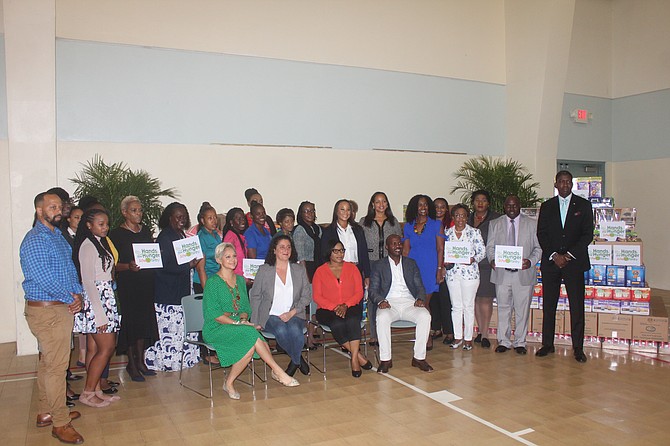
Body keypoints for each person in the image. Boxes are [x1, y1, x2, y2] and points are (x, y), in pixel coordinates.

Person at [20, 192, 84, 444]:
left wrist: (77, 293)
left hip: (60, 306)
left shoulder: (56, 236)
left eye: (60, 206)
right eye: (52, 206)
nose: (58, 210)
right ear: (39, 210)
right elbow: (43, 278)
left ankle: (46, 411)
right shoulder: (35, 239)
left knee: (49, 364)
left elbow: (69, 269)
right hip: (47, 310)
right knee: (58, 368)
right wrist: (70, 297)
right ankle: (60, 422)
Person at [203, 242, 299, 399]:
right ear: (219, 260)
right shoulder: (213, 283)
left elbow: (245, 309)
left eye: (234, 256)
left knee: (249, 343)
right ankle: (278, 371)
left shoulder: (240, 280)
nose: (233, 260)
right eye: (228, 257)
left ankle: (229, 383)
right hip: (216, 328)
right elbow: (214, 314)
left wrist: (242, 319)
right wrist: (237, 323)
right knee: (251, 334)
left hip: (238, 326)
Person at [536, 171, 594, 363]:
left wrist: (568, 255)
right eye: (561, 181)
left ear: (572, 184)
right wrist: (554, 255)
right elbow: (541, 234)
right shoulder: (547, 206)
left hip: (574, 263)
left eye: (568, 182)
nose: (565, 185)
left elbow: (587, 234)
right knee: (549, 305)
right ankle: (547, 344)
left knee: (577, 306)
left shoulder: (584, 205)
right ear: (556, 184)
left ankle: (578, 348)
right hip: (552, 263)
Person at [72, 208, 121, 409]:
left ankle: (95, 390)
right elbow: (89, 282)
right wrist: (100, 316)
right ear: (89, 225)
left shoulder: (100, 243)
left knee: (94, 348)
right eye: (100, 224)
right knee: (107, 347)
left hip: (105, 297)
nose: (105, 227)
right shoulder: (87, 246)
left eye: (106, 223)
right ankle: (87, 392)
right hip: (97, 302)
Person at [108, 196, 159, 382]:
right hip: (129, 283)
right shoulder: (116, 235)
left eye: (139, 210)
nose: (138, 214)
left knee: (145, 322)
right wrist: (127, 266)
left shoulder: (145, 230)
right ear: (124, 213)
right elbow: (112, 264)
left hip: (146, 282)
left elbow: (150, 253)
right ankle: (131, 363)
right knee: (132, 323)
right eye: (134, 210)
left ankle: (141, 361)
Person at [145, 203, 200, 371]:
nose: (181, 220)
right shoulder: (165, 237)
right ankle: (169, 362)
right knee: (171, 332)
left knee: (183, 329)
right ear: (169, 218)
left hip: (182, 291)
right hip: (169, 294)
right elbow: (163, 266)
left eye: (183, 216)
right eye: (178, 217)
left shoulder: (181, 235)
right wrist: (188, 265)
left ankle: (185, 360)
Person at [486, 195, 542, 354]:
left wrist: (530, 262)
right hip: (502, 273)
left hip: (523, 273)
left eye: (514, 205)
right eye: (508, 206)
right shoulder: (495, 224)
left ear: (520, 206)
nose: (511, 208)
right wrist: (492, 260)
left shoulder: (532, 224)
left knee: (522, 310)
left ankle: (520, 343)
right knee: (503, 308)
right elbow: (490, 247)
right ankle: (503, 341)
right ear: (504, 207)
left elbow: (539, 248)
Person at [369, 235, 433, 373]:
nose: (397, 246)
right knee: (382, 318)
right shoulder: (379, 265)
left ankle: (419, 358)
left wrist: (420, 298)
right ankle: (386, 360)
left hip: (410, 302)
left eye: (399, 243)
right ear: (387, 247)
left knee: (425, 316)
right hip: (388, 303)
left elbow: (420, 286)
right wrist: (381, 301)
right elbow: (373, 290)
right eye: (393, 244)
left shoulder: (411, 263)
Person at [249, 235, 312, 376]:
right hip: (270, 315)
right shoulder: (264, 270)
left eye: (288, 247)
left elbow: (307, 296)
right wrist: (255, 321)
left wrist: (292, 313)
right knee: (281, 330)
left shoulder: (299, 269)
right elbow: (255, 296)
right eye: (282, 247)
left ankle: (294, 362)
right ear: (274, 250)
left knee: (295, 330)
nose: (286, 250)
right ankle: (298, 360)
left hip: (294, 313)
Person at [312, 240, 372, 378]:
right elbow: (317, 296)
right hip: (327, 309)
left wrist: (345, 305)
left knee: (352, 320)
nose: (340, 254)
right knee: (337, 323)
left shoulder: (352, 268)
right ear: (329, 252)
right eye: (336, 251)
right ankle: (358, 357)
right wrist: (335, 307)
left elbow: (359, 292)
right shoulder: (320, 271)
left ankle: (354, 360)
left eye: (342, 250)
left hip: (350, 306)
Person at [360, 192, 402, 346]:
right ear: (372, 204)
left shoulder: (393, 222)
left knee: (388, 295)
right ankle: (374, 334)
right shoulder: (364, 222)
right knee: (373, 298)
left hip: (388, 264)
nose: (381, 204)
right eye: (377, 201)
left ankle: (386, 331)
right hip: (371, 263)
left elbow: (399, 244)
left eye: (384, 201)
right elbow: (361, 247)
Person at [402, 194, 444, 351]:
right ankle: (421, 334)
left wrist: (439, 269)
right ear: (414, 207)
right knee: (417, 303)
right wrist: (403, 270)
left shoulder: (436, 225)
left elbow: (440, 249)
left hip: (429, 267)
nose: (423, 208)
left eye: (426, 205)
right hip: (413, 268)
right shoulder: (408, 226)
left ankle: (427, 337)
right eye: (420, 205)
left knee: (425, 303)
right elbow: (406, 250)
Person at [444, 204, 486, 351]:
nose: (460, 218)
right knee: (456, 307)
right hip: (453, 274)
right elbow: (442, 252)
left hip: (470, 275)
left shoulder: (474, 232)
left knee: (468, 306)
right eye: (457, 215)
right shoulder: (447, 233)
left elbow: (482, 252)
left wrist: (473, 259)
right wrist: (445, 261)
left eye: (463, 215)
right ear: (453, 217)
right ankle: (458, 337)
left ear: (467, 217)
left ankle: (468, 338)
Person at [467, 190, 501, 349]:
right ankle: (479, 331)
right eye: (477, 200)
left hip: (487, 264)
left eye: (484, 200)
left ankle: (485, 333)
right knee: (474, 298)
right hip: (469, 265)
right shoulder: (466, 218)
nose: (480, 203)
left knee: (485, 298)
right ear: (472, 202)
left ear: (488, 203)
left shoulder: (496, 219)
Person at [320, 199, 371, 287]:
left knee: (357, 298)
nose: (345, 212)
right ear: (336, 211)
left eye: (348, 209)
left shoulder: (358, 230)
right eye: (342, 209)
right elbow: (324, 255)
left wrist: (367, 275)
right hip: (337, 272)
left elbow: (364, 252)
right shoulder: (328, 232)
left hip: (356, 270)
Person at [432, 197, 454, 345]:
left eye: (442, 207)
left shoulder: (452, 225)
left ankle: (449, 331)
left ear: (447, 209)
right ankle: (436, 328)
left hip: (447, 267)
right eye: (436, 207)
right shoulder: (428, 223)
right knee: (433, 299)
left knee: (445, 299)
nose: (439, 209)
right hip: (431, 264)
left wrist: (444, 266)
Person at [194, 202, 223, 293]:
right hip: (204, 282)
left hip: (216, 279)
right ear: (203, 221)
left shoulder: (216, 234)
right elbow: (200, 268)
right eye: (210, 218)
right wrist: (207, 291)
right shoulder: (201, 237)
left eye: (215, 217)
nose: (214, 221)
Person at [292, 201, 321, 281]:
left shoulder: (318, 229)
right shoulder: (300, 230)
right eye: (306, 211)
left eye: (312, 211)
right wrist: (305, 277)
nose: (310, 213)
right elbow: (300, 257)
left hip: (318, 265)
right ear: (301, 213)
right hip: (307, 268)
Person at [222, 207, 248, 277]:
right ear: (231, 222)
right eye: (238, 219)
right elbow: (227, 260)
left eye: (243, 218)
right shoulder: (230, 237)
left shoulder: (239, 236)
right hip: (234, 277)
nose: (242, 221)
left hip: (242, 277)